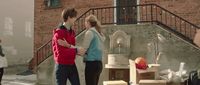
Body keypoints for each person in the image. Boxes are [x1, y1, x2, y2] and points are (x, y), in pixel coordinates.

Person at [52, 8, 85, 85]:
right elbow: (61, 53)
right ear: (69, 17)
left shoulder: (72, 32)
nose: (75, 19)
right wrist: (76, 50)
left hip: (71, 64)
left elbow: (72, 46)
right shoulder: (59, 33)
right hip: (61, 66)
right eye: (74, 17)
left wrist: (73, 48)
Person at [82, 15, 105, 85]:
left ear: (88, 23)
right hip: (99, 64)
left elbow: (84, 49)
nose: (85, 24)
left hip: (91, 64)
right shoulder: (99, 34)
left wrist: (71, 47)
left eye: (85, 22)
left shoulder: (89, 33)